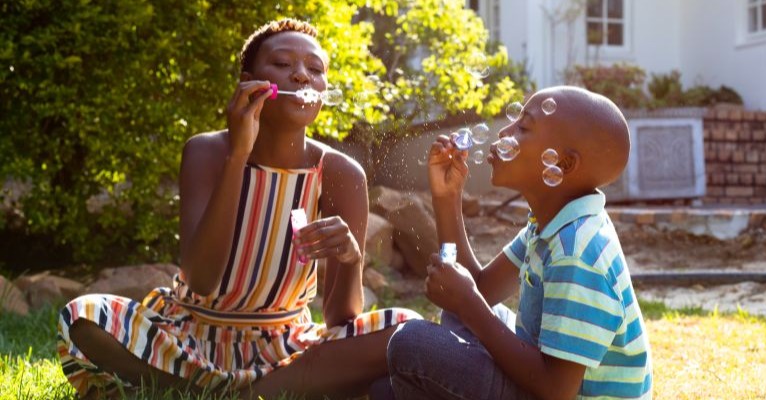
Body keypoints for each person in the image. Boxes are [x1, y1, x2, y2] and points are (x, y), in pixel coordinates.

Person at [57, 18, 420, 399]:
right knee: (84, 316)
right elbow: (201, 280)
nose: (301, 76)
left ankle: (217, 393)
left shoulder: (341, 173)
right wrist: (239, 156)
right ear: (249, 80)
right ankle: (255, 392)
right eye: (283, 64)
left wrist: (350, 256)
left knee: (406, 330)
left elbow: (339, 320)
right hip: (190, 338)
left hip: (286, 349)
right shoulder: (207, 152)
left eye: (315, 69)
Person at [387, 86, 652, 399]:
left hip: (552, 391)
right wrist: (447, 199)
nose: (505, 132)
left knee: (412, 343)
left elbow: (556, 389)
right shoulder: (550, 224)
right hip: (539, 380)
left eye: (523, 128)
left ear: (563, 165)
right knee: (445, 324)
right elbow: (481, 287)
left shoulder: (577, 250)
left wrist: (469, 303)